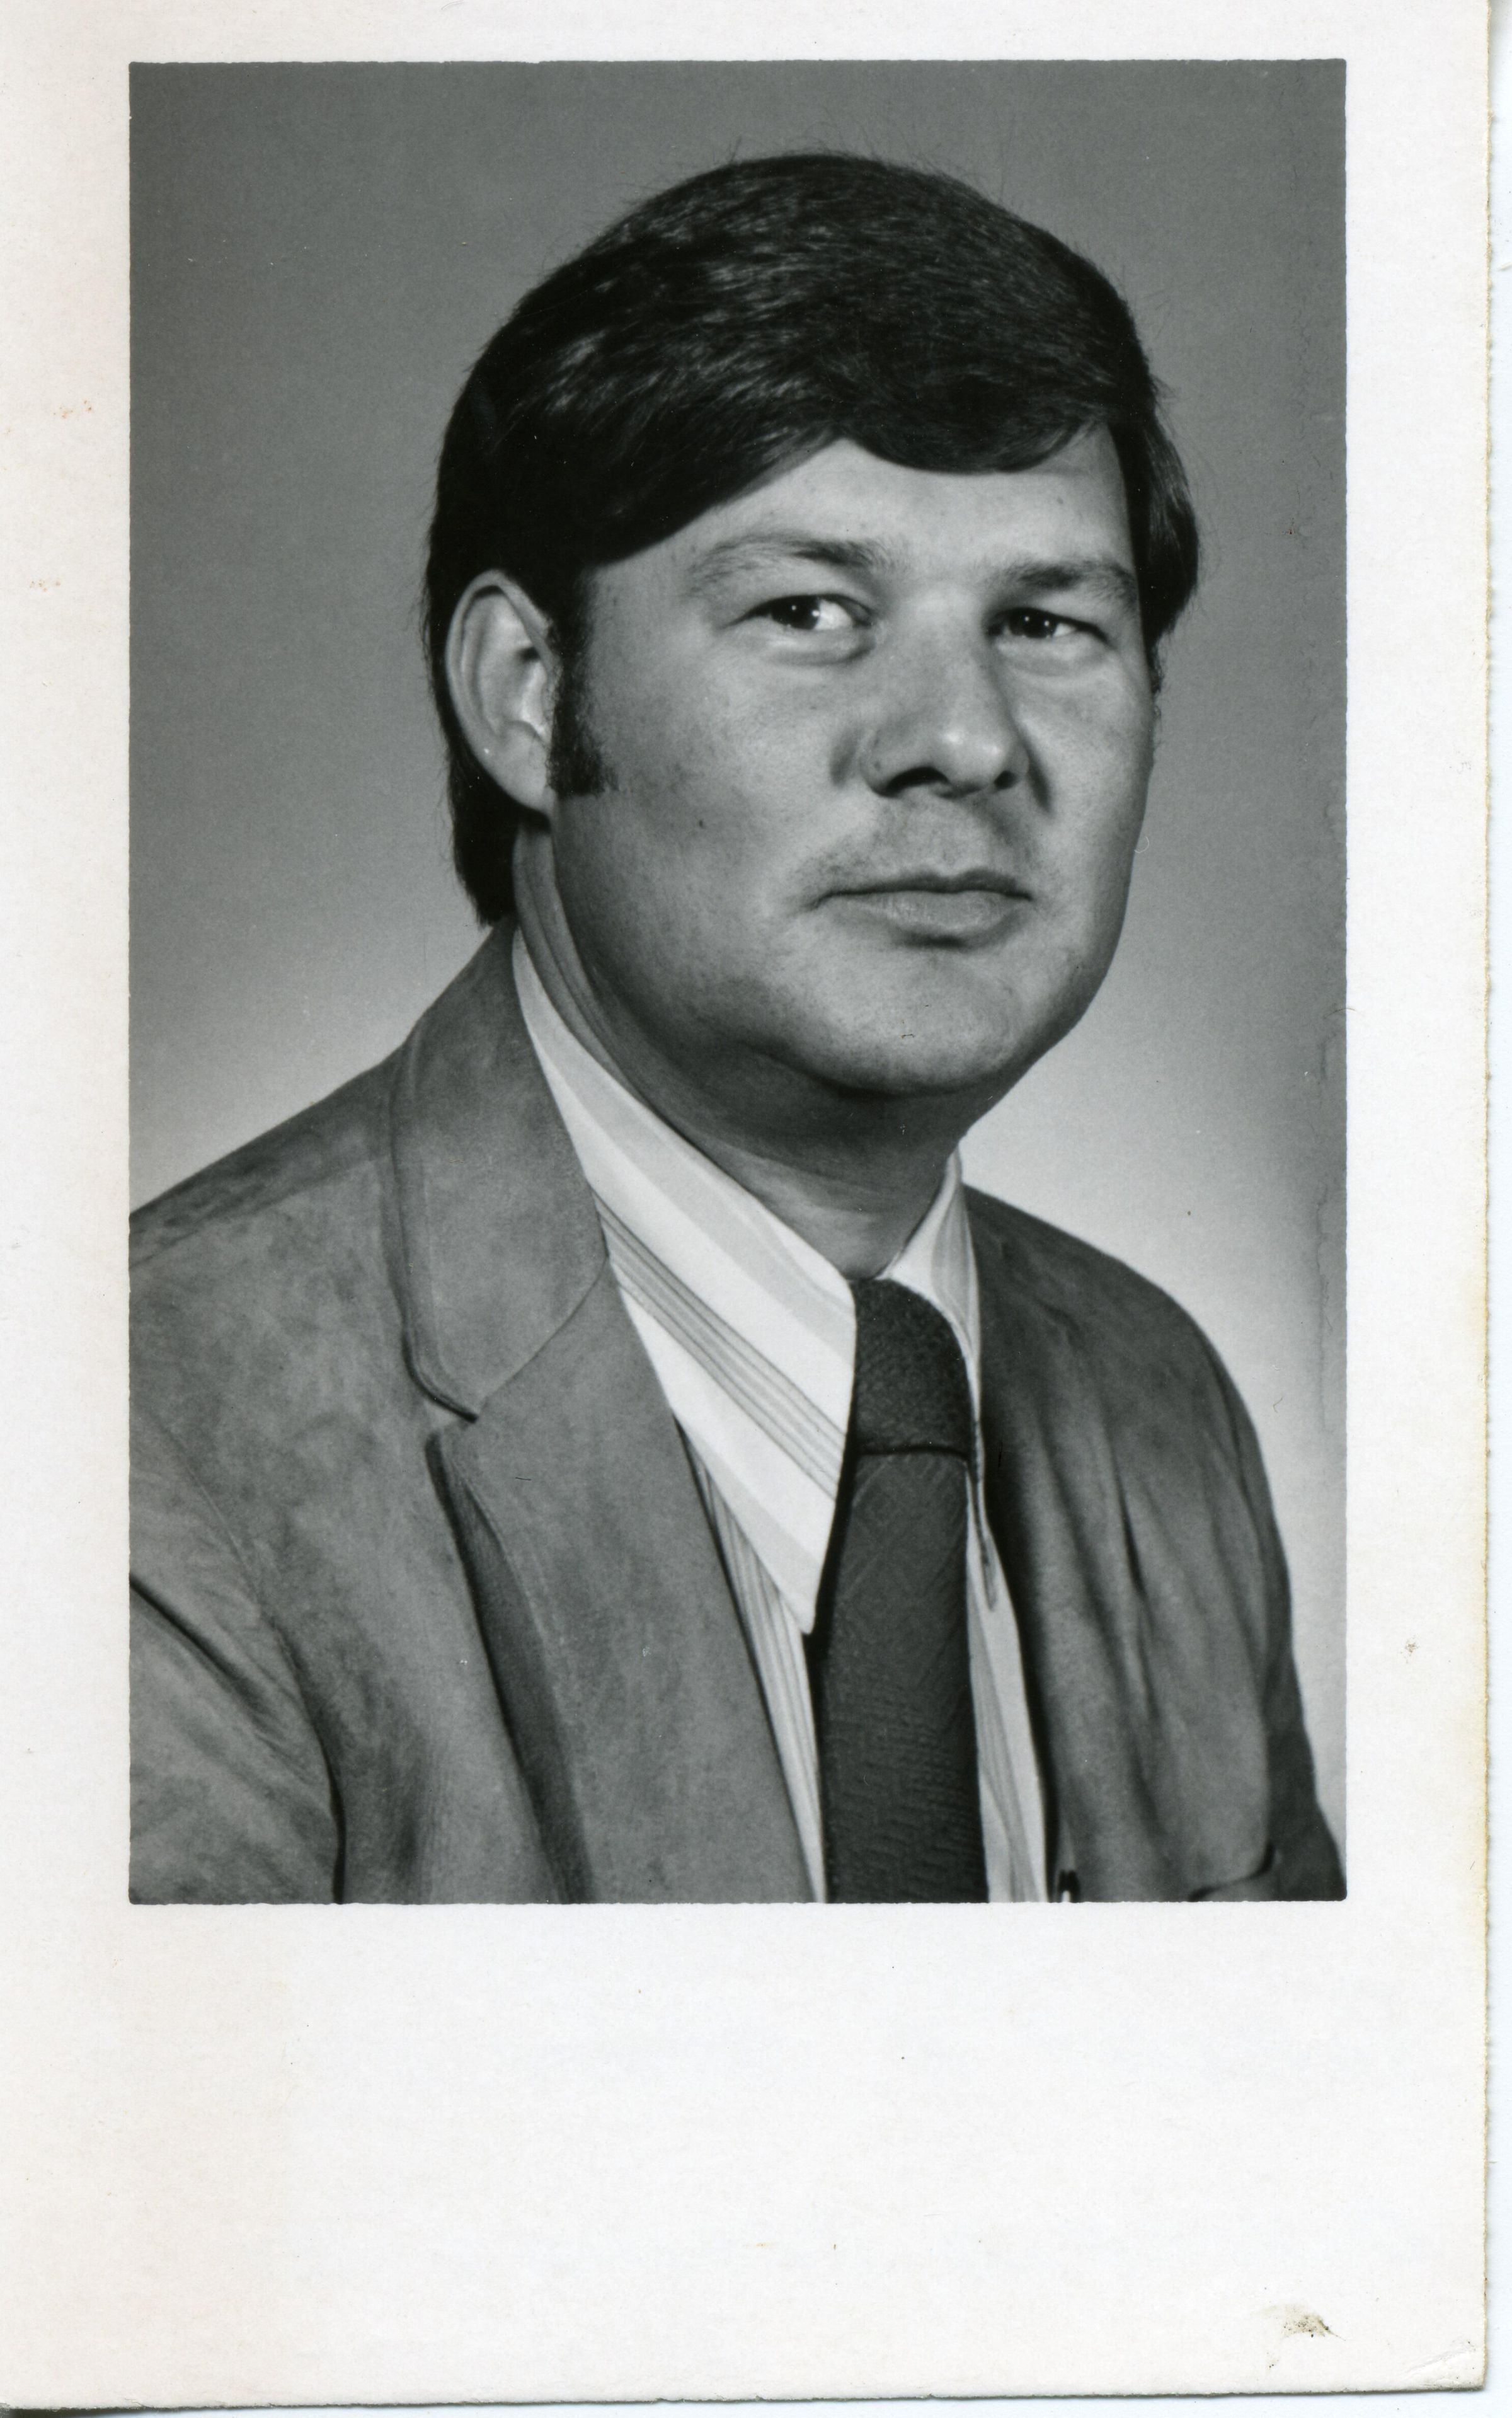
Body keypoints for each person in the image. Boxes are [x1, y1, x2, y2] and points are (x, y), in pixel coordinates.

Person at [130, 152, 1344, 1905]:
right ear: (529, 698)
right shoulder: (138, 1442)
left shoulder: (1162, 1398)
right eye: (809, 614)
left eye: (1043, 621)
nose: (964, 739)